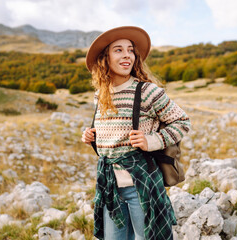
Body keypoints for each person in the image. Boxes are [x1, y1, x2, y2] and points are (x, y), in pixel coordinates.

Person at [82, 26, 191, 240]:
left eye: (130, 50)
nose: (127, 56)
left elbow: (182, 121)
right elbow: (111, 130)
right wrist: (91, 136)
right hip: (109, 187)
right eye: (118, 50)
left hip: (141, 186)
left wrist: (151, 141)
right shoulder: (100, 95)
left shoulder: (148, 91)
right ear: (105, 58)